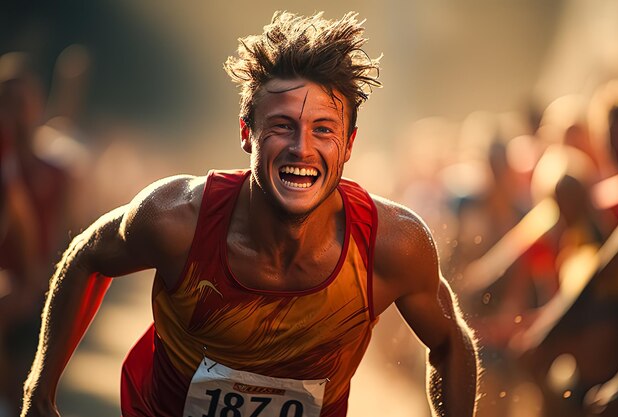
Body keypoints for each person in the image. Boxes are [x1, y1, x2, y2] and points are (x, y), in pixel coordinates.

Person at [21, 11, 479, 417]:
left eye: (324, 129)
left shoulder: (391, 243)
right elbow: (86, 257)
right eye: (282, 125)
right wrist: (39, 389)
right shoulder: (175, 217)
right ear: (247, 133)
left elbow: (450, 342)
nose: (302, 148)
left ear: (350, 145)